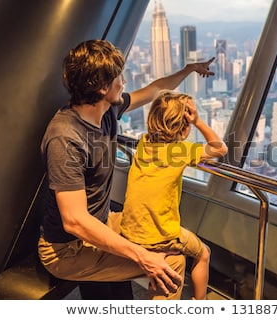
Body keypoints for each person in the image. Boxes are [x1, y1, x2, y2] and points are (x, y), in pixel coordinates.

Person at [38, 39, 215, 300]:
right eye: (119, 76)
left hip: (103, 220)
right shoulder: (66, 138)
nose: (124, 81)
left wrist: (188, 69)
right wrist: (143, 256)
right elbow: (74, 221)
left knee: (163, 241)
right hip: (66, 250)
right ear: (101, 88)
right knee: (172, 264)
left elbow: (156, 88)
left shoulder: (108, 109)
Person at [120, 90, 228, 300]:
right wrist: (197, 121)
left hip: (130, 230)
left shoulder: (144, 142)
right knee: (203, 253)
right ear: (184, 126)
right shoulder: (181, 151)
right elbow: (220, 149)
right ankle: (200, 303)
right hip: (159, 236)